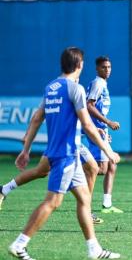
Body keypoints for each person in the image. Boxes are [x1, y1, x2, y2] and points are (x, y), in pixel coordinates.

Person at [8, 47, 121, 260]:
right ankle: (20, 244)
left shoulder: (51, 87)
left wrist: (26, 150)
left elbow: (36, 119)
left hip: (59, 152)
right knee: (53, 202)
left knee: (85, 199)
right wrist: (108, 150)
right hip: (66, 154)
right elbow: (87, 125)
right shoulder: (75, 89)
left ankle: (94, 249)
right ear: (79, 65)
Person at [0, 109, 104, 224]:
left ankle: (4, 189)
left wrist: (92, 130)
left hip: (65, 140)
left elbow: (40, 117)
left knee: (41, 171)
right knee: (92, 168)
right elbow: (39, 117)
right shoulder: (72, 91)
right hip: (66, 142)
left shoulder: (55, 92)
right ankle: (86, 211)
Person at [85, 56, 123, 214]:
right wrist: (107, 123)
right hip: (97, 129)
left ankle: (107, 204)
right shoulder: (98, 83)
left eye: (109, 67)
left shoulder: (102, 83)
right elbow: (89, 105)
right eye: (103, 67)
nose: (107, 70)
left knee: (112, 165)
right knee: (99, 169)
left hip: (101, 129)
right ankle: (75, 173)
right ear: (97, 69)